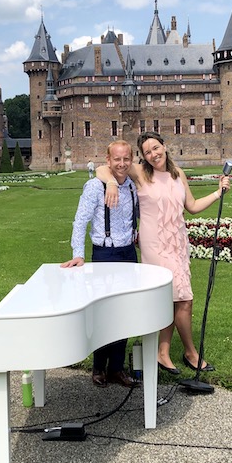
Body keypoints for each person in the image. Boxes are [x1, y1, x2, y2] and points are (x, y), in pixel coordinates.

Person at [96, 131, 230, 375]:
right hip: (155, 244)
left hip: (177, 242)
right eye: (147, 152)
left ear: (164, 147)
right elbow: (102, 169)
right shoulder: (139, 172)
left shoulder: (178, 174)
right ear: (143, 156)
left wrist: (218, 193)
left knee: (174, 298)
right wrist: (113, 183)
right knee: (183, 299)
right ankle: (190, 352)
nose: (153, 154)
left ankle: (163, 353)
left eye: (156, 148)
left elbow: (192, 206)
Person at [61, 140, 139, 388]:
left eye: (126, 159)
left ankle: (116, 369)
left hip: (128, 254)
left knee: (124, 313)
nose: (122, 163)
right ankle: (98, 367)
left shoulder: (132, 187)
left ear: (131, 159)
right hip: (105, 255)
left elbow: (130, 219)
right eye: (117, 159)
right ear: (108, 160)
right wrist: (78, 254)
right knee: (104, 314)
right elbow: (80, 221)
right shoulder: (95, 186)